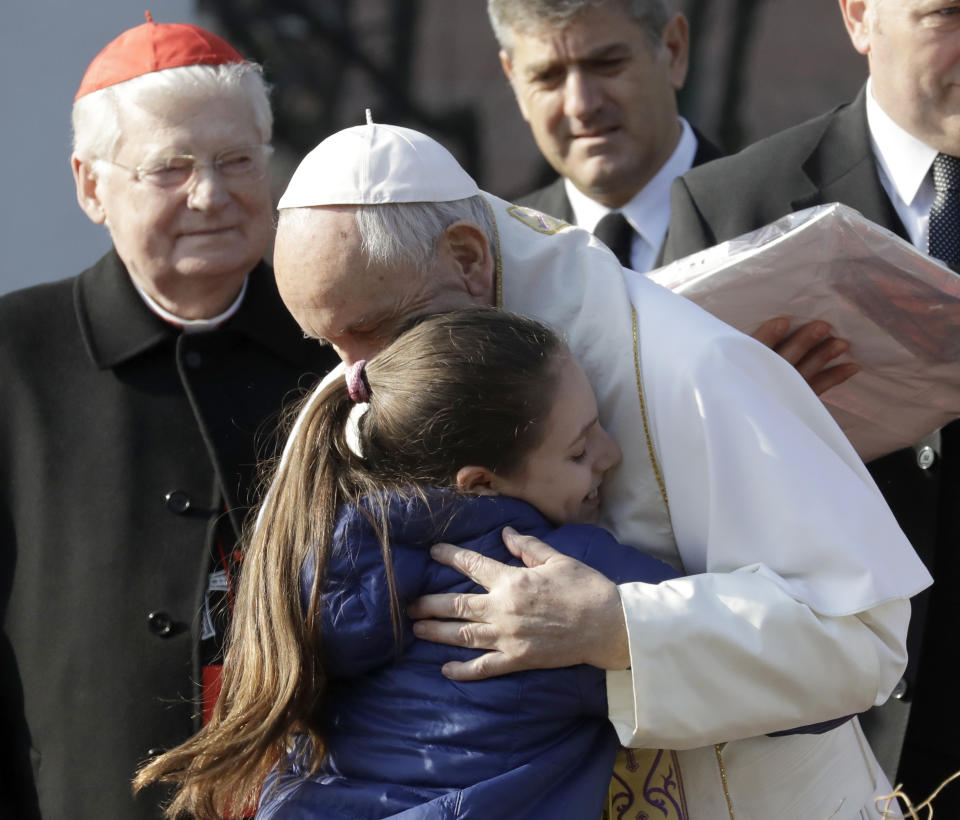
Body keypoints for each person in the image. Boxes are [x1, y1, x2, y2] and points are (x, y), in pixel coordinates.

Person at [262, 120, 930, 818]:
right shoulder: (363, 391)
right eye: (328, 343)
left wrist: (618, 628)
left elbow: (862, 640)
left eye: (369, 328)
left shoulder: (689, 366)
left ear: (467, 259)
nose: (353, 379)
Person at [135, 308, 690, 819]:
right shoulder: (564, 572)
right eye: (578, 450)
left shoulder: (316, 563)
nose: (610, 453)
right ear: (479, 482)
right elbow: (740, 659)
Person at [0, 15, 336, 819]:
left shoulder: (335, 342)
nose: (211, 195)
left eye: (237, 161)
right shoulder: (14, 356)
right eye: (170, 168)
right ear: (90, 186)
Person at [661, 0, 960, 802]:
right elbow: (657, 499)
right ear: (861, 16)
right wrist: (761, 426)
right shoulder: (728, 209)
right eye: (949, 15)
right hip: (820, 744)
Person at [490, 0, 858, 395]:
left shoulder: (789, 224)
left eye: (608, 63)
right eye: (547, 76)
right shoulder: (502, 259)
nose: (582, 104)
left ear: (675, 51)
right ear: (513, 80)